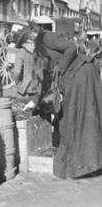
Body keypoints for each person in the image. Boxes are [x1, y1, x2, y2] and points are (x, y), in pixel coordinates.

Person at [21, 22, 102, 179]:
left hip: (82, 75)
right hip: (75, 78)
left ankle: (83, 165)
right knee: (77, 122)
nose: (28, 52)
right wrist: (34, 101)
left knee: (77, 121)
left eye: (26, 48)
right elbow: (43, 79)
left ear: (28, 41)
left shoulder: (47, 37)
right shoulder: (39, 54)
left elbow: (71, 47)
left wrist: (60, 69)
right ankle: (86, 163)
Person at [13, 27, 38, 100]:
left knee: (22, 109)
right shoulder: (38, 52)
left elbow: (17, 71)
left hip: (24, 89)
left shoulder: (21, 52)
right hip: (36, 88)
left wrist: (16, 83)